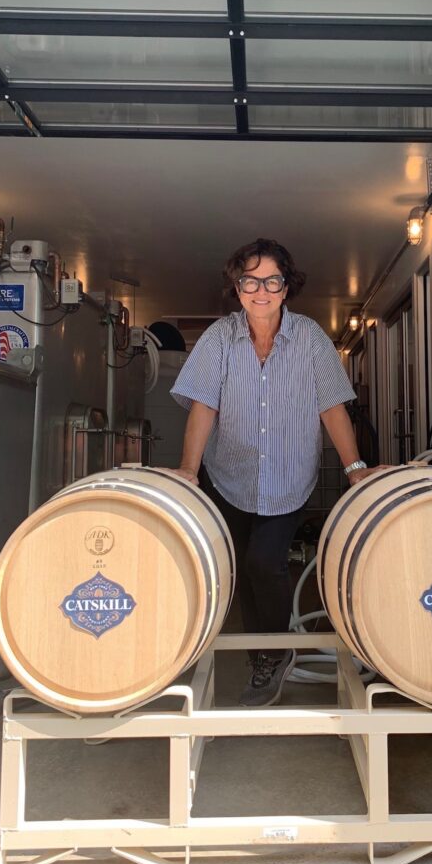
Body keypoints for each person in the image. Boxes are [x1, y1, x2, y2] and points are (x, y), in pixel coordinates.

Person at [170, 238, 380, 707]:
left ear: (286, 287)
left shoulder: (310, 339)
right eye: (250, 280)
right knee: (244, 569)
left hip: (288, 477)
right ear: (237, 286)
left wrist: (355, 469)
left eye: (271, 280)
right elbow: (204, 407)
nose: (260, 290)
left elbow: (332, 407)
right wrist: (189, 469)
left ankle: (276, 652)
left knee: (266, 560)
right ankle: (261, 660)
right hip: (231, 475)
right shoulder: (219, 338)